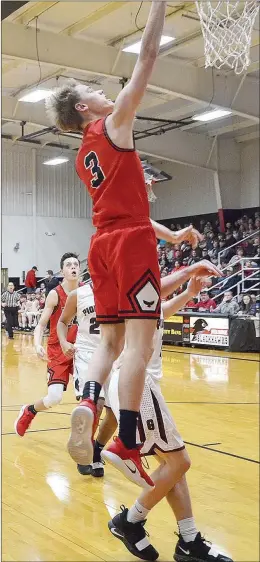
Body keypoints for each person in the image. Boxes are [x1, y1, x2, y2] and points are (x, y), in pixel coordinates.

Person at [46, 1, 202, 488]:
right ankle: (127, 442)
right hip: (131, 240)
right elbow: (148, 56)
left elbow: (122, 206)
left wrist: (168, 231)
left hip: (102, 243)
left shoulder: (82, 156)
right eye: (94, 90)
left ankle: (89, 401)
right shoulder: (113, 126)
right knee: (139, 341)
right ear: (83, 107)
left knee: (110, 342)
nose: (103, 92)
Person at [57, 262, 232, 562]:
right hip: (138, 384)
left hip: (140, 383)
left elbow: (163, 309)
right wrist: (189, 269)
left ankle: (188, 539)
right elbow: (155, 291)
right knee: (180, 462)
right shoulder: (129, 291)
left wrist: (189, 292)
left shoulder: (145, 298)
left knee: (173, 465)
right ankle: (131, 520)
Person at [14, 253, 80, 436]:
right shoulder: (55, 294)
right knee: (54, 398)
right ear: (62, 271)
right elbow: (41, 324)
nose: (73, 267)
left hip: (80, 350)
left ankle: (86, 439)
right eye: (69, 265)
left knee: (89, 394)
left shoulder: (86, 292)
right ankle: (30, 410)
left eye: (76, 264)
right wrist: (37, 344)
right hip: (58, 350)